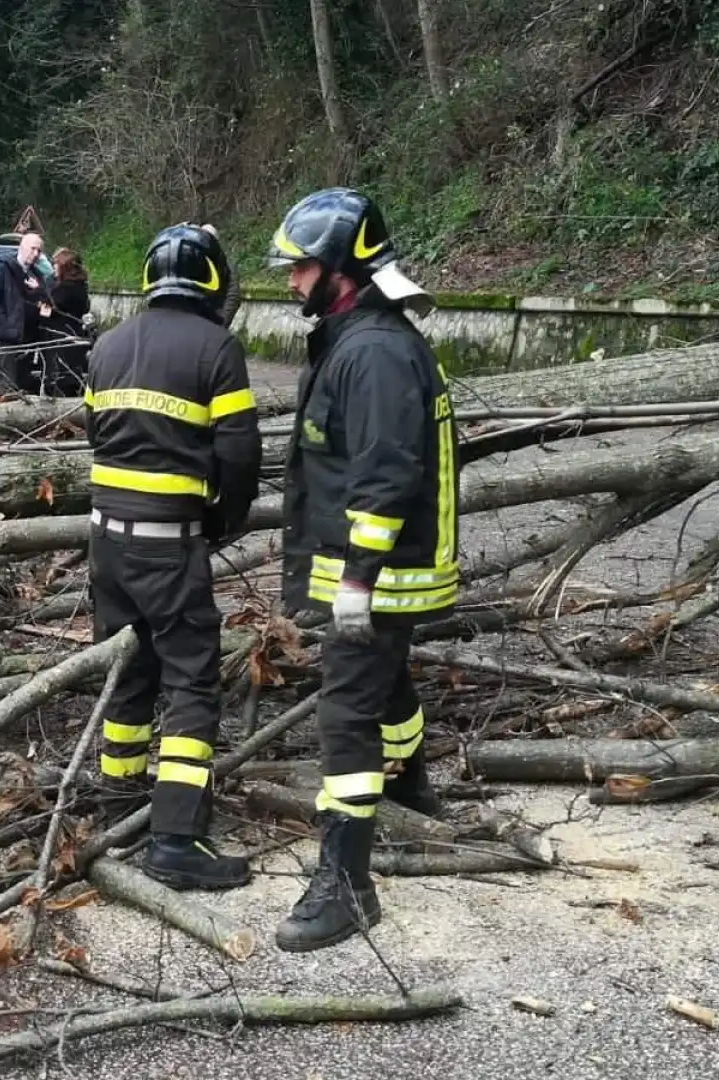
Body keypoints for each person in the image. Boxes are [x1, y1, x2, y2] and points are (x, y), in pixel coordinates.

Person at [264, 187, 458, 953]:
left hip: (380, 571)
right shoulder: (357, 337)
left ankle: (347, 882)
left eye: (302, 267)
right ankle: (411, 782)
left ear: (340, 268)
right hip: (379, 569)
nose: (291, 281)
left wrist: (355, 578)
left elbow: (384, 474)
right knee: (388, 679)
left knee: (345, 712)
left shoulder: (374, 352)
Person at [82, 223, 262, 892]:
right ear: (213, 279)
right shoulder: (216, 347)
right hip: (169, 544)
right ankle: (178, 837)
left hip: (106, 543)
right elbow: (241, 456)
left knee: (130, 671)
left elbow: (96, 432)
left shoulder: (107, 345)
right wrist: (222, 520)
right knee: (191, 680)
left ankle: (119, 803)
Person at [0, 230, 55, 394]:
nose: (35, 254)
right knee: (8, 383)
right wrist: (5, 323)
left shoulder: (38, 276)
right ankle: (0, 415)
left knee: (23, 383)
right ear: (22, 247)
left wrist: (39, 292)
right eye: (33, 249)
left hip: (30, 340)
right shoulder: (2, 269)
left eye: (39, 251)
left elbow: (48, 306)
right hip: (8, 339)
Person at [49, 246, 89, 319]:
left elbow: (48, 311)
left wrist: (38, 291)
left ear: (65, 266)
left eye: (56, 263)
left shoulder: (64, 289)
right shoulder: (80, 284)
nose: (53, 267)